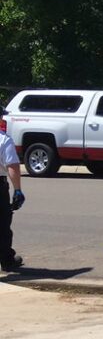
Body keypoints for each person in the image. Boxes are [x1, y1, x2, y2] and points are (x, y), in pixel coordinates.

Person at [1, 111, 24, 272]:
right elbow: (12, 166)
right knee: (2, 225)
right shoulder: (3, 139)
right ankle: (7, 260)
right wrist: (18, 190)